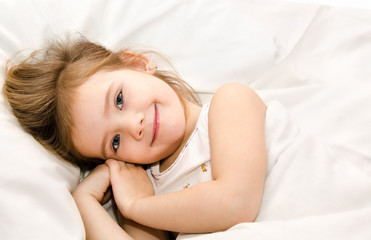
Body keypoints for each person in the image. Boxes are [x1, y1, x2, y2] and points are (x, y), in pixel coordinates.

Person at [2, 35, 267, 239]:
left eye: (119, 99)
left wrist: (137, 205)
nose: (133, 125)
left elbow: (236, 203)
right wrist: (85, 203)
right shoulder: (144, 188)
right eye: (115, 142)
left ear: (137, 64)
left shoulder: (230, 103)